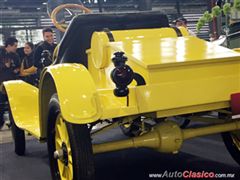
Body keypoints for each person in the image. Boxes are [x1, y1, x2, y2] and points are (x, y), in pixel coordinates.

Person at [0, 37, 20, 129]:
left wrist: (16, 69)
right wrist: (4, 66)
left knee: (12, 104)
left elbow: (18, 66)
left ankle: (13, 123)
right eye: (15, 46)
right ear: (8, 46)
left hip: (12, 83)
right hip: (1, 83)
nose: (16, 48)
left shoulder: (15, 55)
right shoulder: (1, 53)